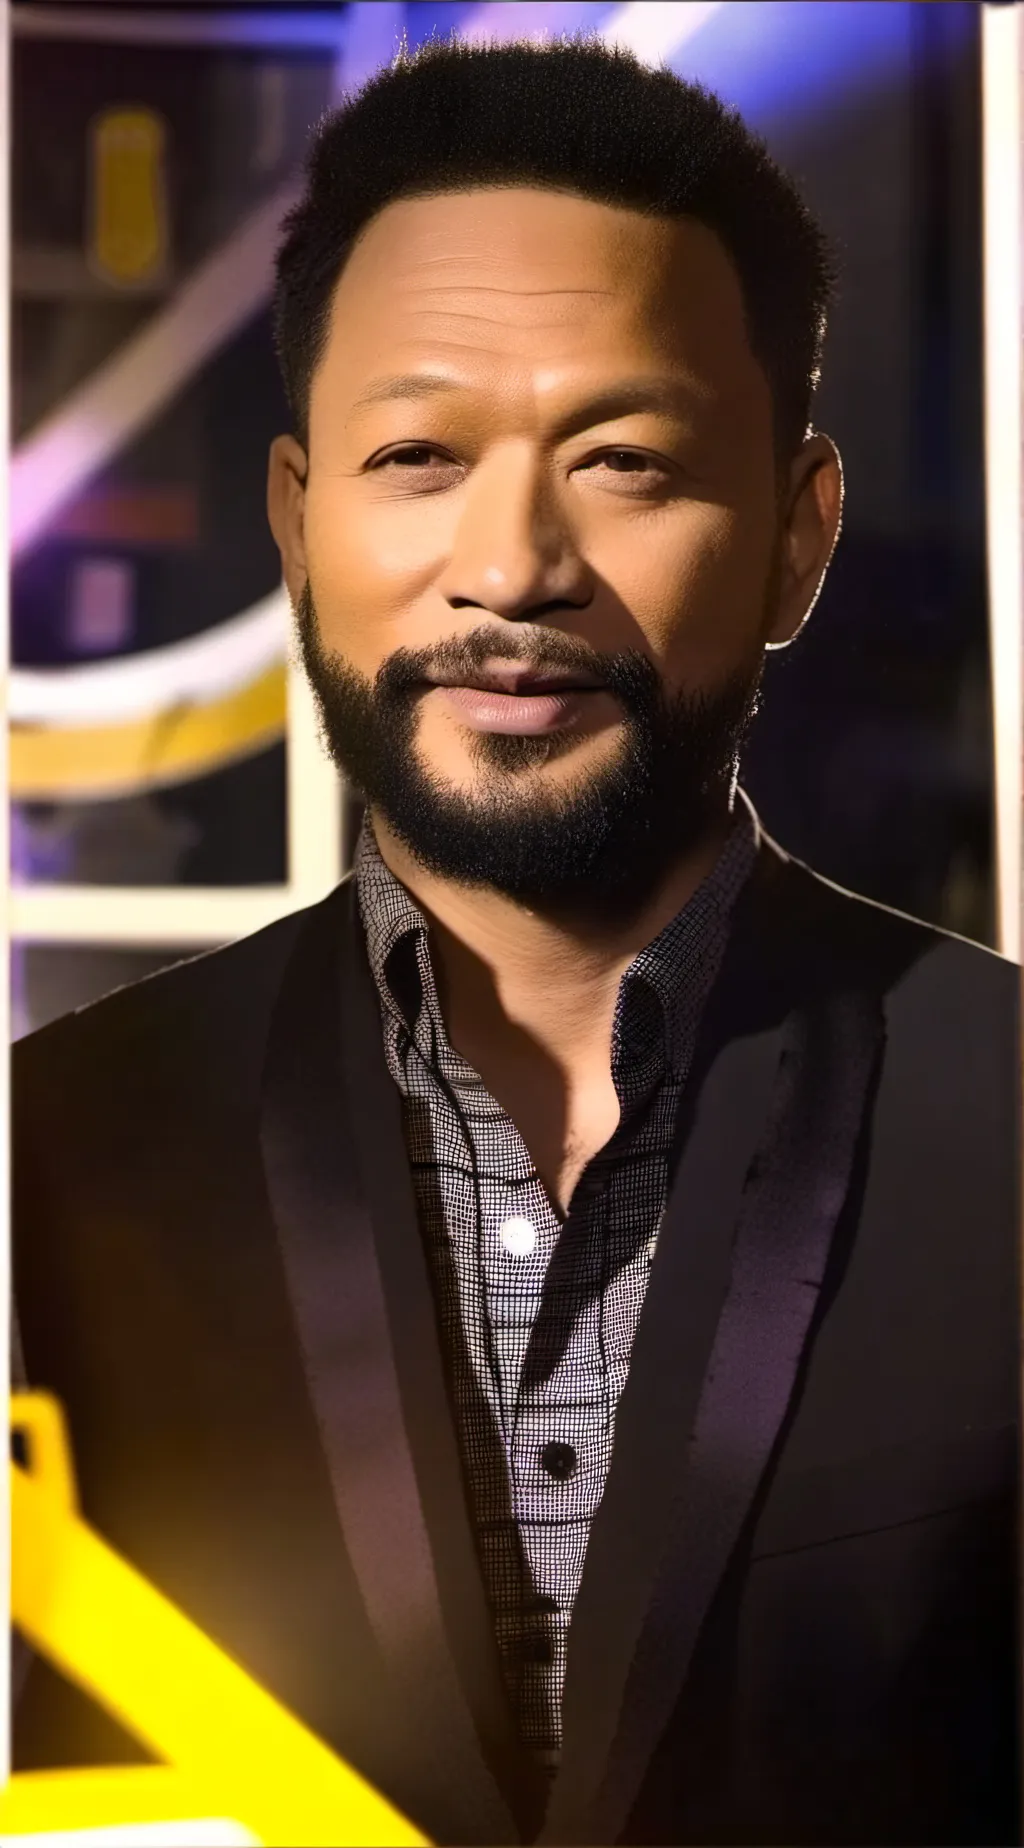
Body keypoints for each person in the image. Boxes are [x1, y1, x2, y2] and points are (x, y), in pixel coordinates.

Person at [13, 34, 1019, 1847]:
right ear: (297, 521)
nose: (512, 566)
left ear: (799, 537)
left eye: (624, 460)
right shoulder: (51, 1158)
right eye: (417, 454)